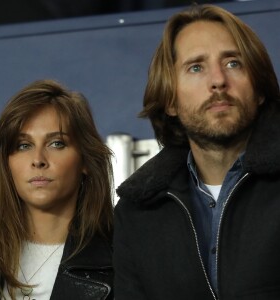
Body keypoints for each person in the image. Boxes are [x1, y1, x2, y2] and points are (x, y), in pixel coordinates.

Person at [113, 4, 280, 300]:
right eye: (196, 67)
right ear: (171, 101)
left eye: (233, 63)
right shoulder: (136, 215)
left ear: (260, 89)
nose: (217, 80)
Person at [0, 79, 114, 299]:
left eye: (56, 144)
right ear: (6, 162)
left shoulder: (122, 258)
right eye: (23, 145)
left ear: (85, 161)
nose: (38, 160)